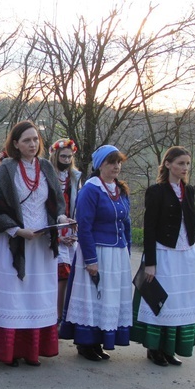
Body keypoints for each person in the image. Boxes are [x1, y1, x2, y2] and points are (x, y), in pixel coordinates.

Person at [0, 120, 69, 367]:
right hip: (14, 242)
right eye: (27, 140)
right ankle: (10, 351)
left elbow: (56, 203)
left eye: (36, 139)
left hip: (41, 244)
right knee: (15, 296)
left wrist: (61, 219)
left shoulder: (47, 167)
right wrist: (17, 230)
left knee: (37, 297)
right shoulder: (6, 169)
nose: (32, 144)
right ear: (15, 144)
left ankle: (32, 349)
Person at [61, 145, 132, 362]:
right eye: (112, 162)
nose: (116, 167)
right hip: (97, 251)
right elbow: (85, 225)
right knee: (93, 297)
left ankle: (100, 341)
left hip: (116, 253)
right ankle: (86, 343)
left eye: (119, 162)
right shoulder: (91, 189)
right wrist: (91, 260)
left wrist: (126, 249)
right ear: (100, 164)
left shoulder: (120, 190)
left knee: (109, 297)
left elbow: (126, 222)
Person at [131, 146, 195, 366]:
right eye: (180, 163)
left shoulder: (189, 191)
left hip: (185, 252)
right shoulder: (156, 191)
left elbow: (191, 224)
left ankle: (170, 349)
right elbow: (149, 228)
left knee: (179, 300)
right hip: (163, 251)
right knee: (161, 300)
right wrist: (150, 263)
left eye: (187, 164)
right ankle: (154, 348)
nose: (184, 168)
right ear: (168, 164)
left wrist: (194, 252)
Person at [48, 138, 82, 322]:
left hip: (70, 228)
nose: (67, 160)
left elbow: (77, 205)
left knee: (69, 275)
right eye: (63, 156)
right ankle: (56, 316)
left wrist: (75, 233)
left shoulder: (75, 177)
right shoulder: (48, 175)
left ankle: (64, 315)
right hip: (54, 229)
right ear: (55, 155)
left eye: (70, 157)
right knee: (59, 275)